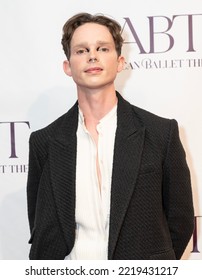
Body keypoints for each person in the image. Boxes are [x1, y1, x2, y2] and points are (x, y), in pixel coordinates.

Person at [26, 12, 194, 260]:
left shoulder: (160, 133)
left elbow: (180, 221)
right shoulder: (44, 142)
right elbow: (41, 225)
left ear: (120, 62)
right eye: (81, 51)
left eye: (102, 48)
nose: (92, 55)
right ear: (68, 66)